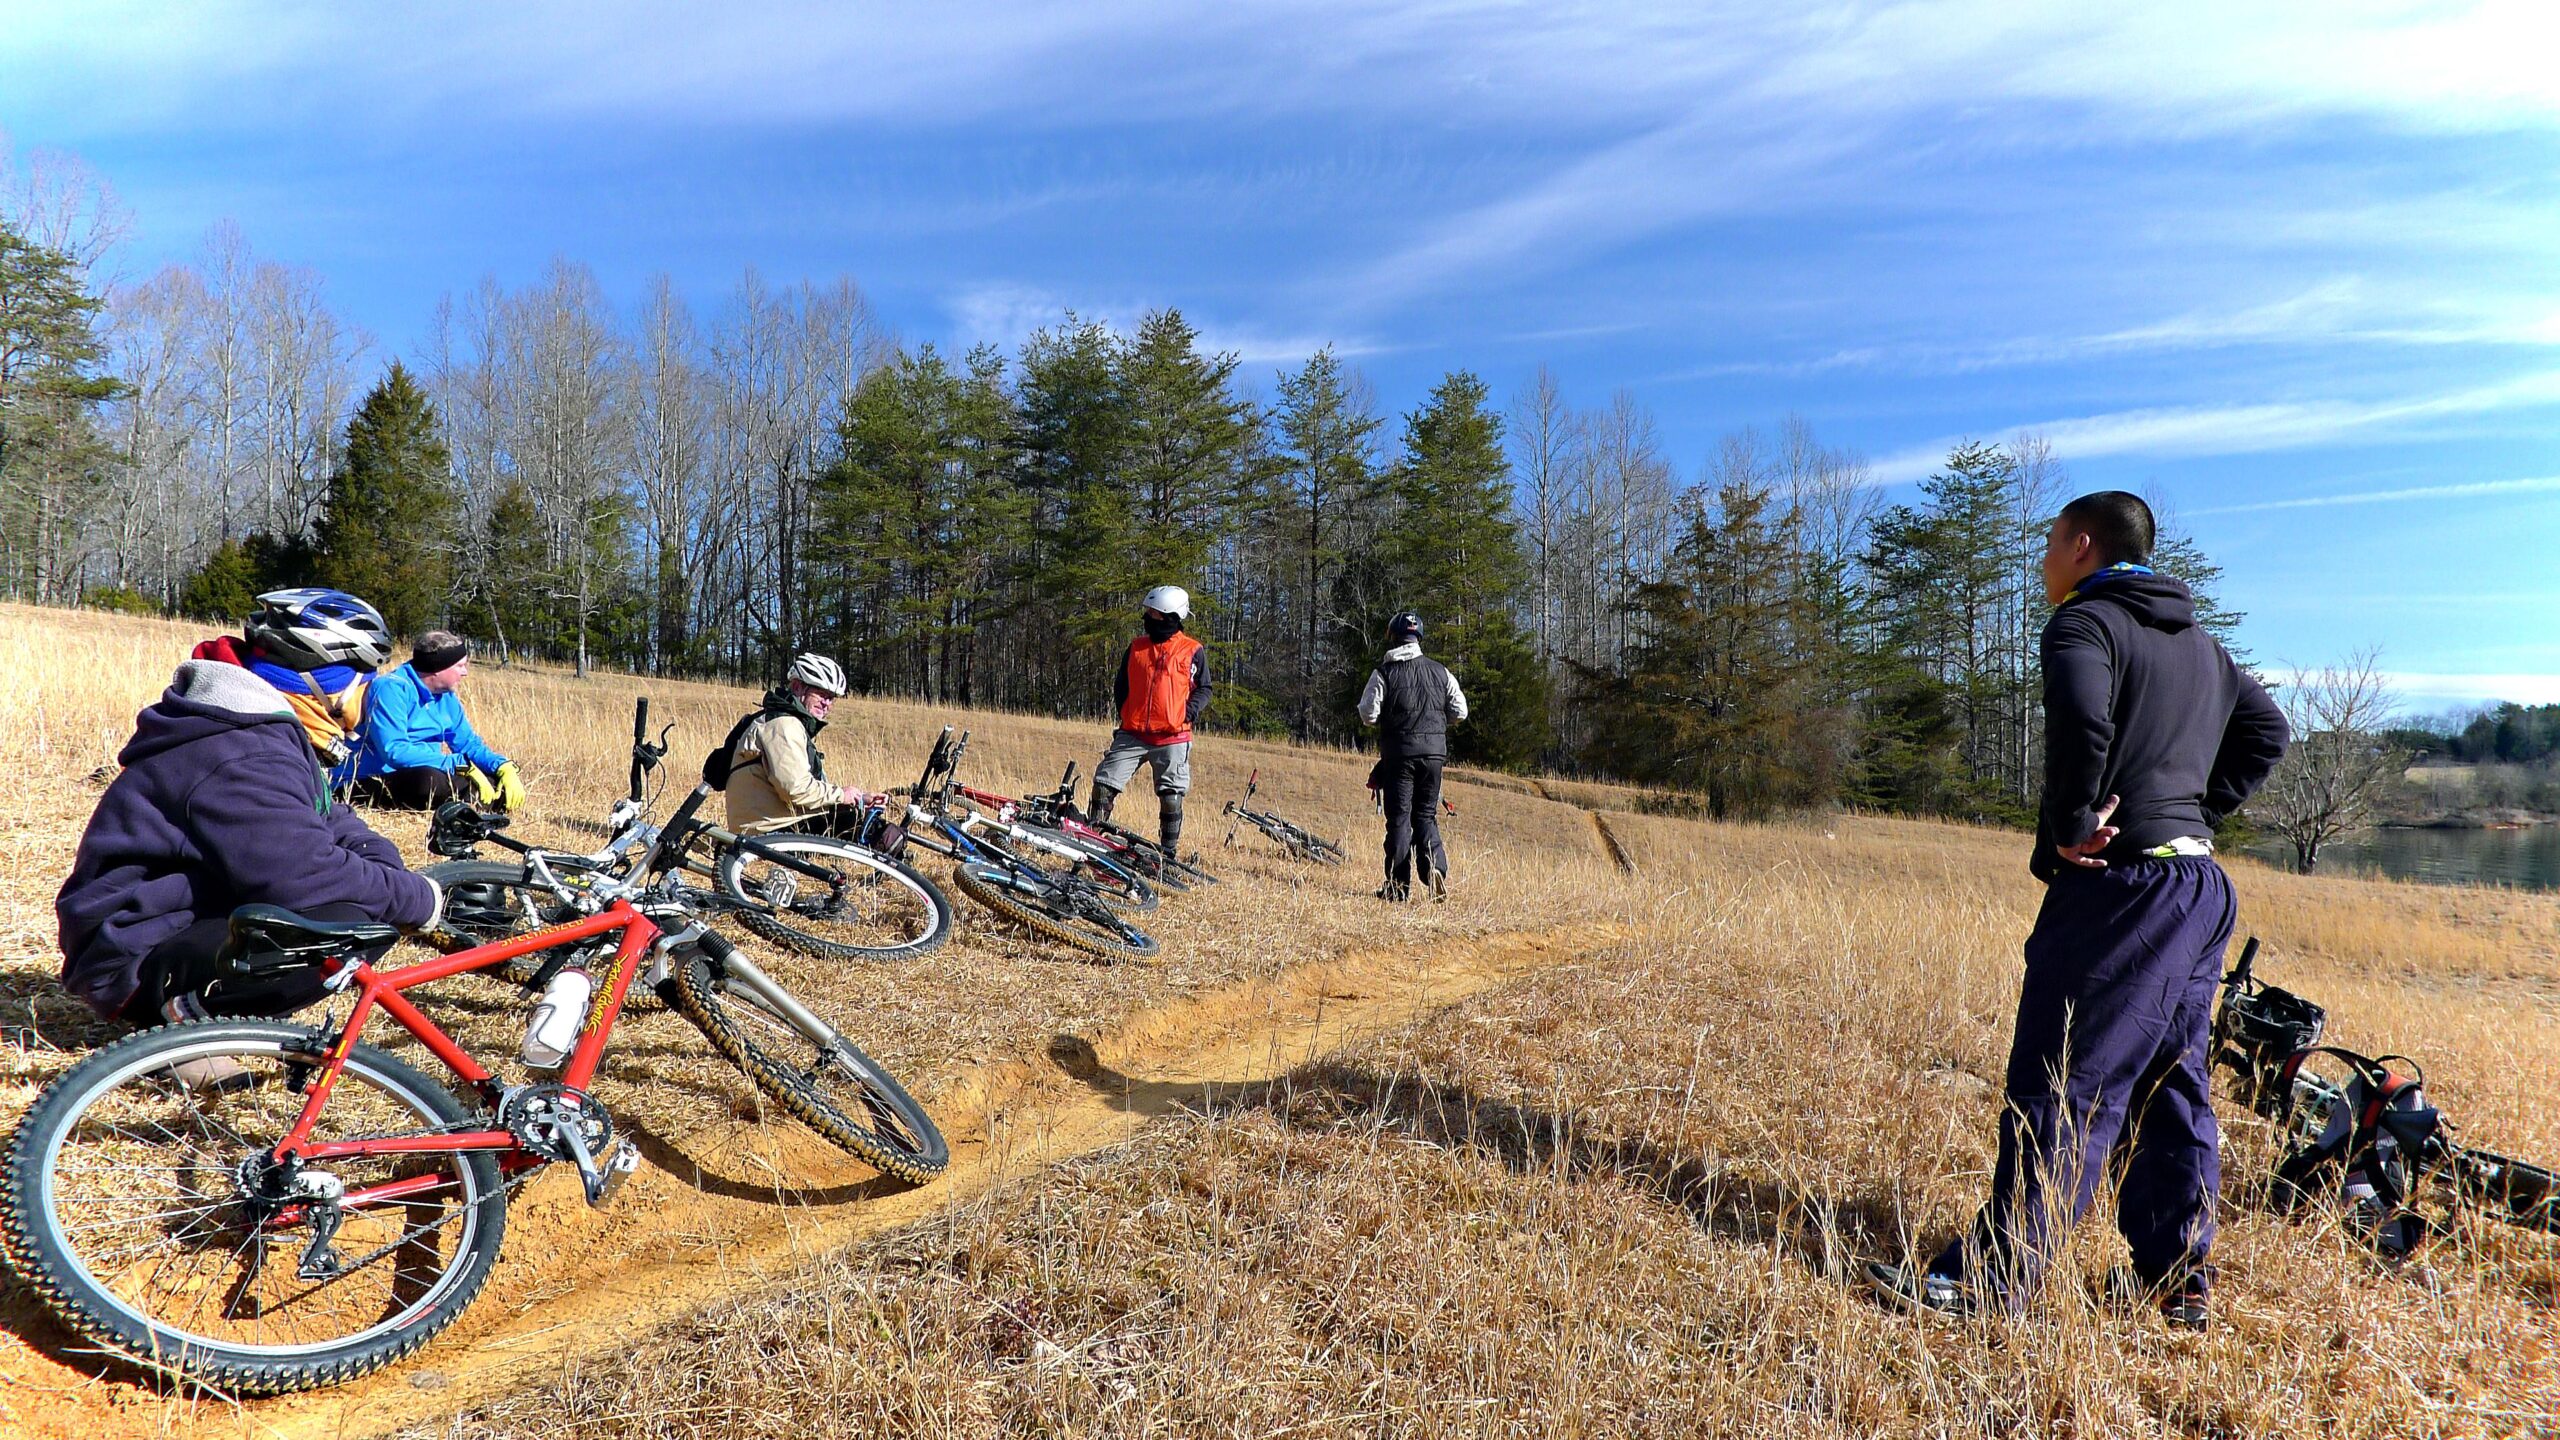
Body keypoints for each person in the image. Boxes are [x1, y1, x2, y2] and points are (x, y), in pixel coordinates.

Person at [1867, 492, 2288, 1332]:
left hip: (2122, 890)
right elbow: (2268, 730)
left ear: (2084, 545)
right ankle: (2176, 1282)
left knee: (2064, 1081)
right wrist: (2194, 812)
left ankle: (1994, 1286)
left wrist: (2071, 825)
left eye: (2051, 543)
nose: (2045, 560)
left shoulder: (2084, 625)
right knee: (2173, 1086)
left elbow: (2081, 713)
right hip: (2200, 891)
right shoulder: (2203, 649)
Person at [56, 589, 443, 1040]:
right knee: (337, 925)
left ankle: (195, 1014)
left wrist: (383, 863)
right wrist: (421, 899)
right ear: (324, 681)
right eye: (364, 680)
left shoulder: (258, 725)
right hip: (132, 954)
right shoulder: (241, 752)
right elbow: (305, 877)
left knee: (365, 899)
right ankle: (176, 1029)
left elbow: (324, 812)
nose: (367, 700)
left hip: (163, 924)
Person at [1087, 586, 1211, 858]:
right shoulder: (1136, 647)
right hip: (1132, 734)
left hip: (1172, 737)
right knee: (1103, 785)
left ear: (1172, 617)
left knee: (1170, 797)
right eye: (1148, 612)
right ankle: (1090, 837)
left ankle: (1168, 854)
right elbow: (1121, 684)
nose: (1148, 617)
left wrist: (1185, 714)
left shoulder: (1192, 650)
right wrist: (1127, 712)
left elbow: (1204, 689)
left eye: (1155, 613)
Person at [1356, 611, 1467, 902]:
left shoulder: (1384, 673)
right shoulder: (1441, 671)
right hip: (1434, 755)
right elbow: (1461, 711)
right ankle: (1435, 869)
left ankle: (1397, 887)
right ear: (1419, 638)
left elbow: (1368, 714)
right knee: (1426, 815)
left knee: (1400, 820)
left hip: (1399, 757)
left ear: (1393, 638)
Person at [353, 630, 526, 811]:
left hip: (430, 772)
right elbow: (395, 751)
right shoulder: (391, 688)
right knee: (429, 781)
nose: (465, 673)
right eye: (460, 666)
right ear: (438, 668)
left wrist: (502, 766)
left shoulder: (446, 697)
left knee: (496, 781)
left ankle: (473, 801)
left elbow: (468, 745)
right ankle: (468, 801)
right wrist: (456, 764)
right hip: (377, 777)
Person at [722, 652, 887, 836]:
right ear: (797, 686)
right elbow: (795, 789)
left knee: (863, 819)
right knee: (874, 831)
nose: (826, 704)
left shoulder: (785, 722)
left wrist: (858, 798)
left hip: (771, 823)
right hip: (766, 831)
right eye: (821, 694)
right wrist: (842, 794)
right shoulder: (783, 725)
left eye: (831, 698)